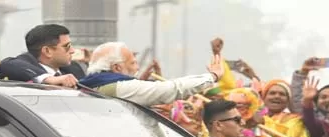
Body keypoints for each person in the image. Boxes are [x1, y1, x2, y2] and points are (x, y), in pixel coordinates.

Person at [78, 41, 223, 107]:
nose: (138, 67)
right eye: (132, 63)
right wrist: (212, 76)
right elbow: (171, 89)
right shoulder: (118, 87)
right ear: (117, 67)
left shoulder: (89, 84)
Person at [0, 24, 85, 87]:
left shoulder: (73, 69)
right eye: (67, 46)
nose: (72, 51)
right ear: (47, 51)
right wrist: (48, 79)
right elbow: (8, 64)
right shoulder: (23, 68)